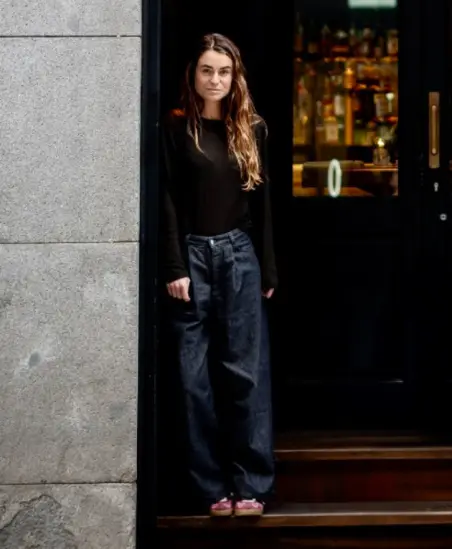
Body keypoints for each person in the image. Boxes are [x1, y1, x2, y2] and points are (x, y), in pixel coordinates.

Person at [160, 33, 277, 518]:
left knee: (246, 375)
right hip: (192, 258)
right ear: (193, 73)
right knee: (193, 380)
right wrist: (174, 266)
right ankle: (210, 486)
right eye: (207, 70)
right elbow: (166, 199)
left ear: (235, 76)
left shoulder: (251, 127)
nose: (215, 80)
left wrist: (267, 267)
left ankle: (251, 484)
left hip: (239, 255)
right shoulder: (176, 128)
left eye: (224, 72)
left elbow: (262, 203)